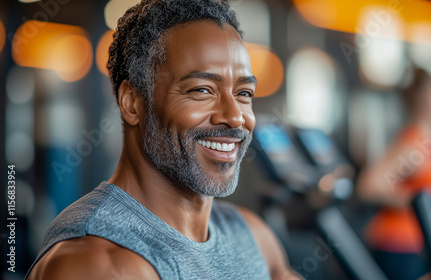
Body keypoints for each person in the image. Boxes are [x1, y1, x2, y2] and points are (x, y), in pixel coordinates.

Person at [26, 1, 301, 279]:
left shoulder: (253, 236)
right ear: (132, 103)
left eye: (244, 93)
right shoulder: (97, 263)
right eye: (202, 90)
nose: (235, 117)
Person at [356, 69, 431, 280]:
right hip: (399, 245)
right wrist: (419, 204)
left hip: (422, 243)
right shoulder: (413, 146)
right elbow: (368, 186)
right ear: (422, 101)